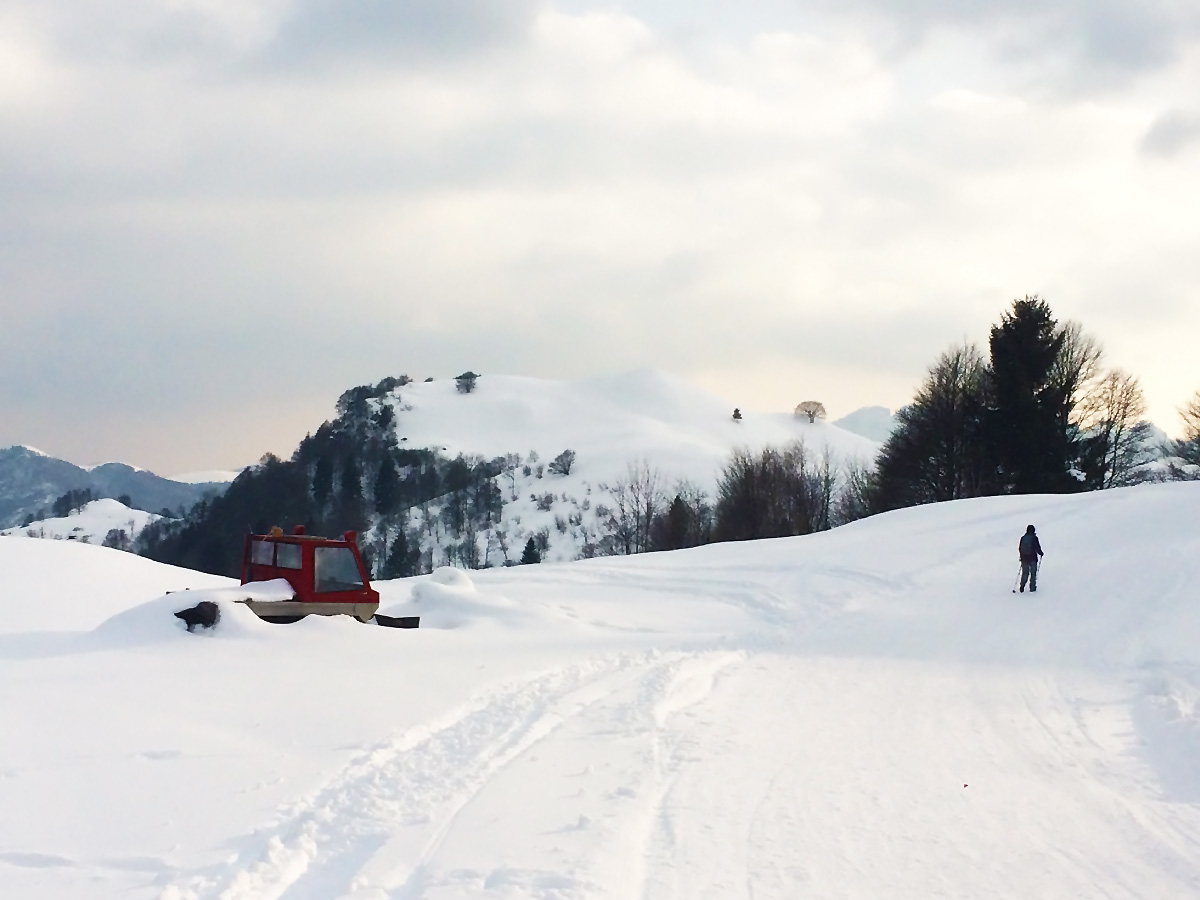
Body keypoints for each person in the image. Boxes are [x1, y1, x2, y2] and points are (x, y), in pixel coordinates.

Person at [1018, 524, 1044, 592]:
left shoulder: (1023, 538)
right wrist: (1041, 553)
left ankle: (1022, 586)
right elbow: (1037, 547)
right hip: (1032, 558)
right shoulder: (1034, 538)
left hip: (1024, 558)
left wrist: (1021, 556)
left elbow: (1020, 548)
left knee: (1025, 573)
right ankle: (1032, 588)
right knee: (1033, 573)